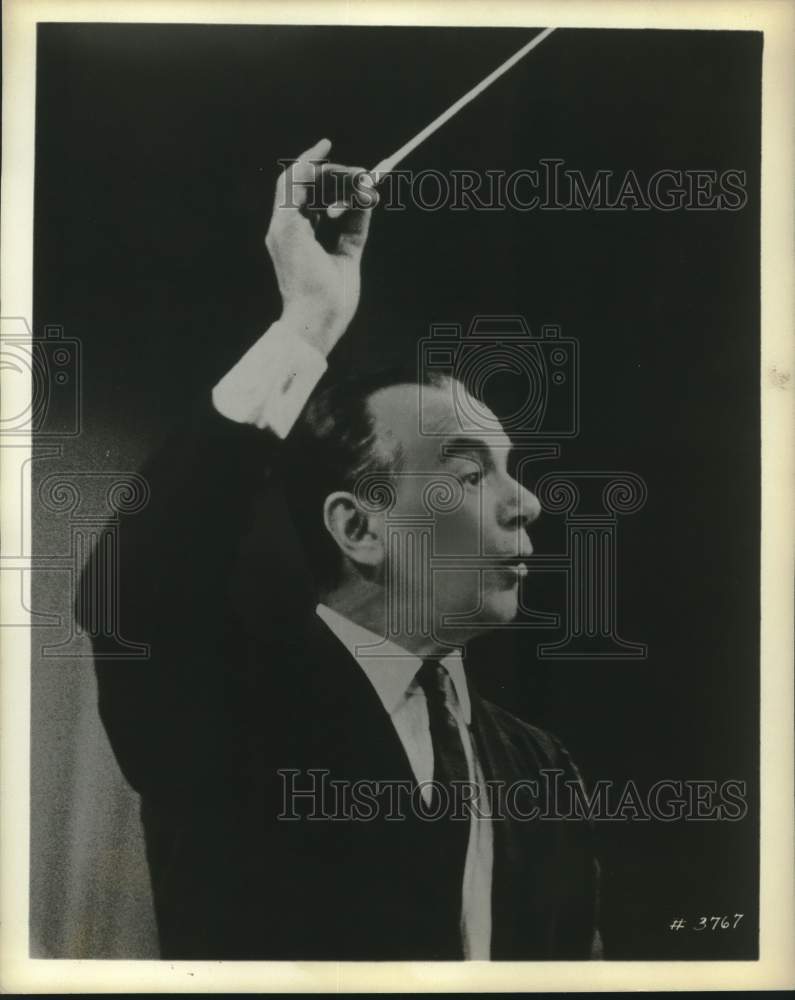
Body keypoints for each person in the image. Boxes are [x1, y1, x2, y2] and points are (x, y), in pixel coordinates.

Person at [81, 139, 601, 961]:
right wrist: (307, 323)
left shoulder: (541, 767)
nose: (527, 501)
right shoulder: (222, 706)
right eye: (468, 475)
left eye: (513, 470)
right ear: (358, 528)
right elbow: (136, 587)